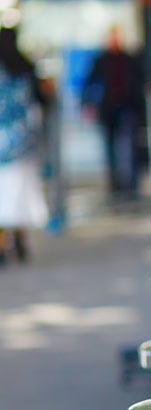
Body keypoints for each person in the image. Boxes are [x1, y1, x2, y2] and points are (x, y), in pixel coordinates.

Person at [0, 26, 48, 266]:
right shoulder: (25, 67)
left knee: (2, 196)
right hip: (22, 141)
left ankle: (2, 244)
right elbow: (42, 100)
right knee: (18, 194)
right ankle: (19, 240)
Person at [82, 26, 146, 200]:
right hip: (108, 108)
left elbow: (139, 83)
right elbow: (88, 83)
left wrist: (140, 107)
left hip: (127, 107)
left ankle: (132, 186)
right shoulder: (101, 60)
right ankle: (115, 186)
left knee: (131, 148)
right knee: (110, 150)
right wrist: (87, 104)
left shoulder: (129, 59)